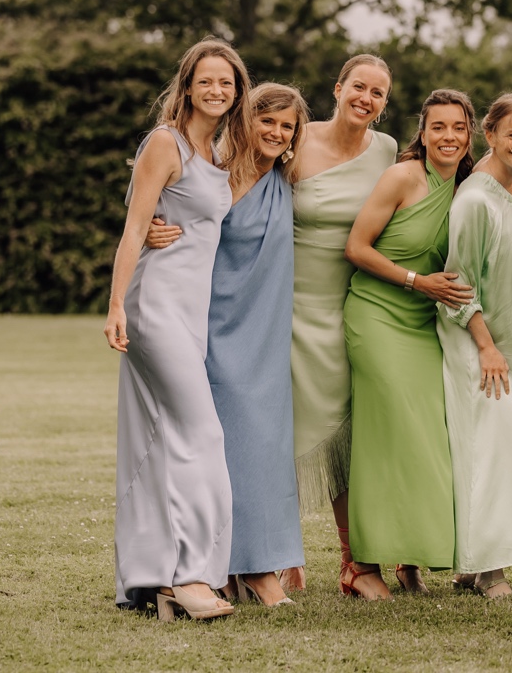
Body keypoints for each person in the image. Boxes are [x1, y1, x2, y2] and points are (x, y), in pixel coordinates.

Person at [104, 38, 253, 621]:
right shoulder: (165, 143)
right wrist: (117, 304)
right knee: (202, 435)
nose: (217, 91)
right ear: (187, 86)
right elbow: (135, 226)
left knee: (166, 439)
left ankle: (152, 579)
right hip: (155, 305)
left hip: (192, 314)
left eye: (228, 83)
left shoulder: (215, 153)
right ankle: (190, 577)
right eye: (207, 80)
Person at [341, 90, 478, 600]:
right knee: (388, 435)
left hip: (427, 325)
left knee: (429, 440)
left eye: (458, 127)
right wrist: (418, 281)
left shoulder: (469, 183)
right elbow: (355, 248)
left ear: (470, 135)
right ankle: (364, 562)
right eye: (438, 127)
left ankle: (411, 559)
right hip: (377, 315)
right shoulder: (403, 177)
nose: (448, 137)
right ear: (422, 132)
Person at [289, 54, 398, 593]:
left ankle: (354, 562)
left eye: (378, 93)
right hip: (287, 304)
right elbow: (232, 190)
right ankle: (277, 553)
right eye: (359, 86)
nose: (367, 98)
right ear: (338, 88)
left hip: (354, 304)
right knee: (280, 427)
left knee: (345, 434)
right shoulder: (294, 138)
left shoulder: (387, 151)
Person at [436, 93, 512, 599]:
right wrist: (486, 346)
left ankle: (474, 566)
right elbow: (458, 283)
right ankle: (491, 572)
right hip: (480, 345)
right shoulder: (477, 199)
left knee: (509, 452)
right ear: (491, 136)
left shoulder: (508, 190)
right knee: (489, 453)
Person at [205, 83, 309, 609]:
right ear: (245, 122)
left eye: (286, 126)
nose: (276, 132)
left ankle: (266, 560)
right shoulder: (215, 177)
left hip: (268, 331)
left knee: (267, 445)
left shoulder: (286, 178)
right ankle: (231, 566)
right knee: (228, 448)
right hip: (217, 328)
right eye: (267, 121)